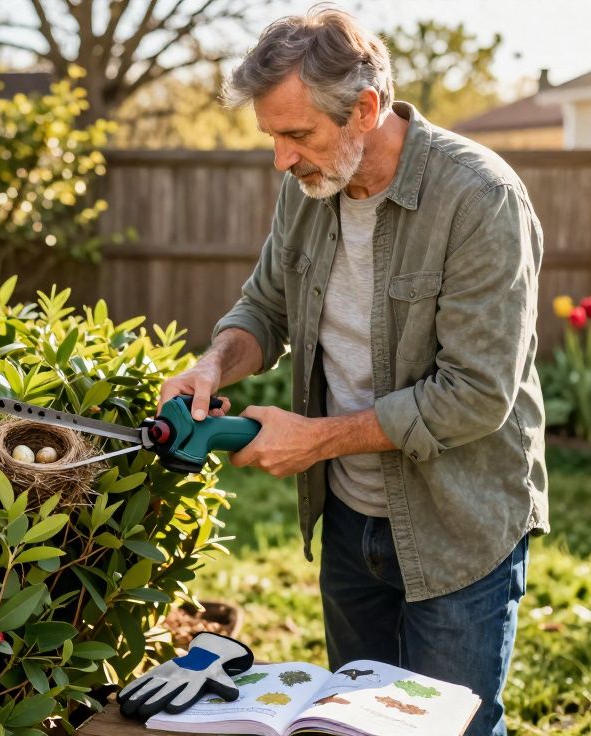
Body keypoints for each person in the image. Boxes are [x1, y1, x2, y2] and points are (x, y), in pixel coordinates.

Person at [157, 8, 549, 735]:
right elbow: (264, 310)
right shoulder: (307, 190)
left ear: (365, 110)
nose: (281, 158)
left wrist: (315, 441)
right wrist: (213, 363)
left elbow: (476, 396)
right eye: (272, 136)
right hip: (348, 524)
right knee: (352, 726)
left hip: (457, 526)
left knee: (448, 727)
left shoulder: (478, 199)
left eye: (296, 134)